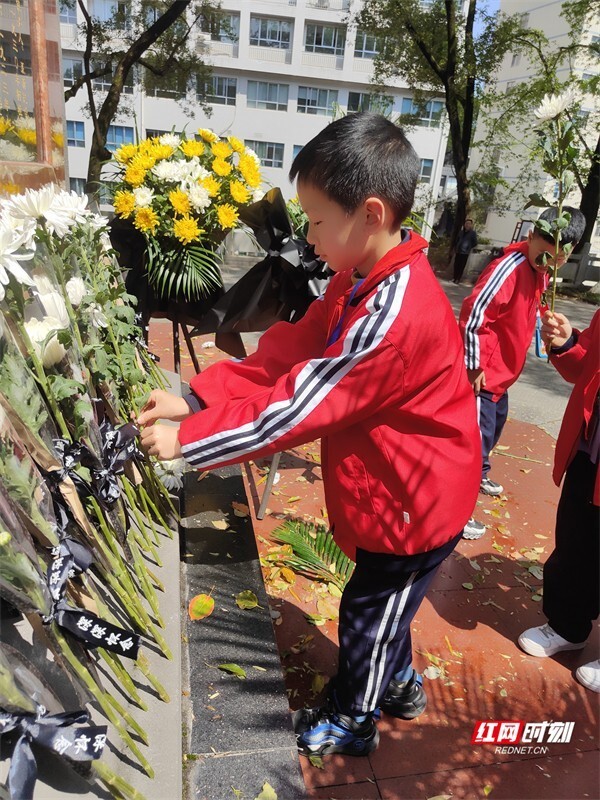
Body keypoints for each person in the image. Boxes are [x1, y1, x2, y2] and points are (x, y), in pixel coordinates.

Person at [137, 113, 481, 757]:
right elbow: (291, 352)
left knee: (369, 613)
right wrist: (197, 395)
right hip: (397, 486)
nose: (308, 236)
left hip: (419, 501)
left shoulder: (395, 316)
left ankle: (355, 720)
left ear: (371, 214)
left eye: (318, 221)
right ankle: (399, 685)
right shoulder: (358, 278)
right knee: (384, 609)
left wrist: (191, 441)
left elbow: (299, 406)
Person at [458, 207, 586, 540]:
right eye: (544, 255)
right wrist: (474, 366)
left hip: (503, 378)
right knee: (474, 441)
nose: (549, 264)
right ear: (530, 238)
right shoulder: (508, 269)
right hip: (484, 378)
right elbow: (474, 317)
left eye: (557, 260)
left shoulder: (540, 272)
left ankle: (480, 474)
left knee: (493, 430)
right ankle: (457, 512)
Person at [519, 309, 599, 692]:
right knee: (576, 537)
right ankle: (568, 625)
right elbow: (587, 371)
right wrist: (568, 343)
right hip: (590, 449)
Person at [452, 218, 478, 284]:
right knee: (456, 265)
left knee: (461, 266)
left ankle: (458, 279)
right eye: (466, 223)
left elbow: (475, 243)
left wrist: (468, 247)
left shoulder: (473, 233)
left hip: (465, 253)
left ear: (471, 225)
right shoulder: (461, 232)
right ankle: (454, 278)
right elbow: (457, 240)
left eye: (469, 224)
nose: (467, 225)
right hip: (458, 251)